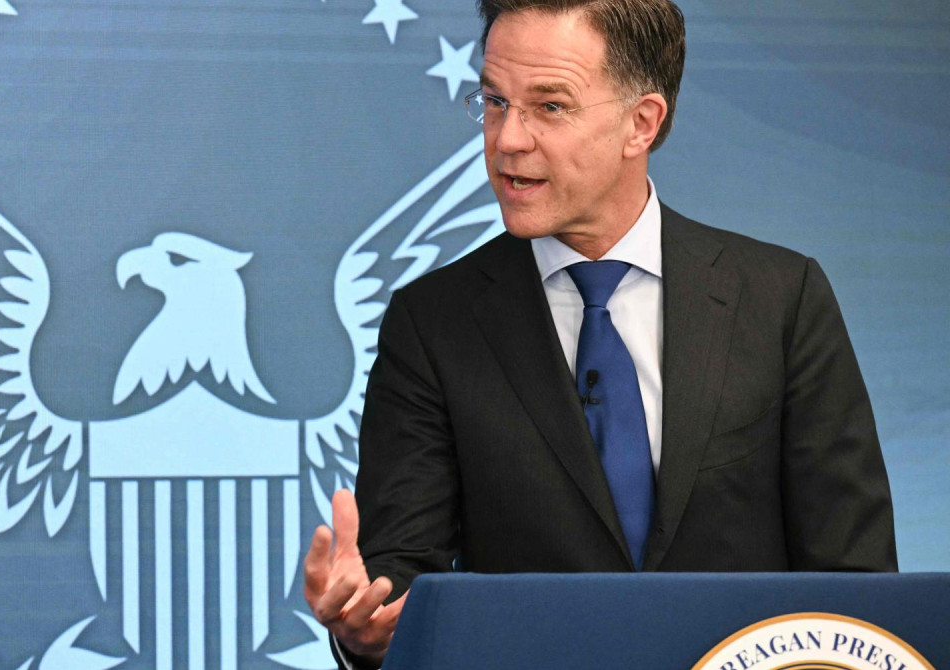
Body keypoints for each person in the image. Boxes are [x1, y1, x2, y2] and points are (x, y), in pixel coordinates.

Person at [302, 0, 899, 667]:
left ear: (641, 123)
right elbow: (396, 585)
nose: (507, 140)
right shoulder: (432, 323)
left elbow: (856, 586)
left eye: (549, 106)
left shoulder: (781, 299)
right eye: (495, 102)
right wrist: (368, 634)